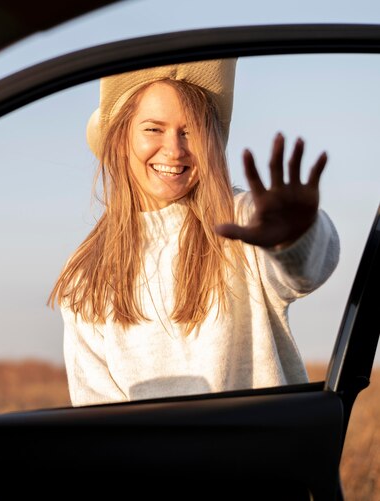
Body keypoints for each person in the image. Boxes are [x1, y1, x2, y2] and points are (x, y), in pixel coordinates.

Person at [47, 58, 340, 407]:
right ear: (120, 138)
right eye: (153, 129)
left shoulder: (241, 221)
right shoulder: (86, 273)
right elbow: (96, 413)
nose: (174, 149)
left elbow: (307, 271)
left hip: (262, 457)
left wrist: (294, 237)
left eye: (189, 132)